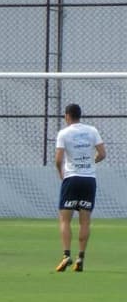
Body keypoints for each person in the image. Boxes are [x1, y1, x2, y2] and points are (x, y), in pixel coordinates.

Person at [54, 104, 106, 272]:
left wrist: (60, 172)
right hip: (89, 180)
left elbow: (58, 159)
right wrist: (91, 162)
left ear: (67, 116)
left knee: (64, 219)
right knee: (85, 221)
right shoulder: (92, 131)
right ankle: (80, 258)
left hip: (72, 178)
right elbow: (103, 154)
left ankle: (66, 255)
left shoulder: (64, 133)